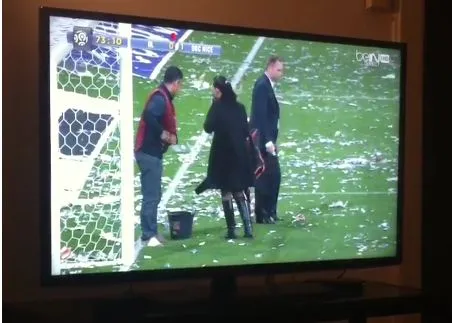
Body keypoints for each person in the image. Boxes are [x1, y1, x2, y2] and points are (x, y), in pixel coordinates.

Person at [195, 76, 255, 239]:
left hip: (222, 155)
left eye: (214, 89)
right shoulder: (240, 107)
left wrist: (213, 105)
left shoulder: (218, 107)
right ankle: (248, 228)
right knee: (239, 190)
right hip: (240, 154)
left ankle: (231, 230)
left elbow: (207, 127)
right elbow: (245, 131)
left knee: (226, 191)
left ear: (219, 91)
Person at [135, 66, 183, 247]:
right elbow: (148, 115)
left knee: (154, 194)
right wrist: (164, 134)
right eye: (180, 85)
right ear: (176, 83)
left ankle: (151, 231)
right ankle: (148, 235)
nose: (180, 89)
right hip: (148, 153)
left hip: (150, 152)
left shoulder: (162, 96)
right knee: (151, 195)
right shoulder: (160, 98)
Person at [249, 55, 284, 224]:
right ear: (270, 67)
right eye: (278, 69)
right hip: (263, 141)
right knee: (268, 176)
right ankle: (264, 213)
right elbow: (260, 116)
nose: (281, 73)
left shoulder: (266, 85)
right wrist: (268, 141)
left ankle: (268, 212)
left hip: (266, 140)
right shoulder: (262, 86)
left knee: (271, 176)